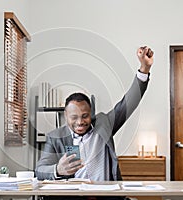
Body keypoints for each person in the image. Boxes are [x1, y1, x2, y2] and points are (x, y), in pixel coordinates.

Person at [35, 46, 154, 200]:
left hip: (106, 197)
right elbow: (40, 170)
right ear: (66, 115)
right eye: (74, 117)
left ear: (91, 113)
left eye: (85, 116)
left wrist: (145, 68)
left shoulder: (104, 123)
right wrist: (58, 169)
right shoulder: (56, 136)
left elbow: (128, 103)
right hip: (74, 198)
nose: (80, 122)